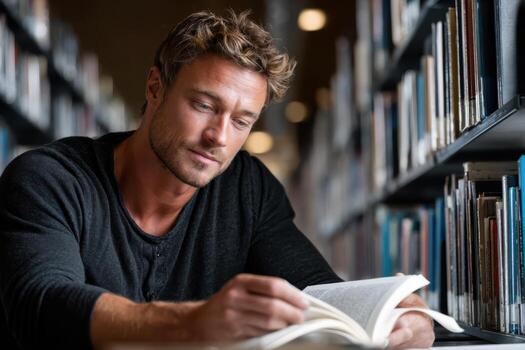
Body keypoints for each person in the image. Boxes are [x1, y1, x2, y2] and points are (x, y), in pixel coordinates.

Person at [0, 10, 434, 349]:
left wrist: (393, 318)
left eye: (242, 121)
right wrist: (193, 323)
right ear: (155, 87)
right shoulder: (49, 179)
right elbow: (42, 305)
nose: (219, 137)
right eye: (205, 105)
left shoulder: (248, 188)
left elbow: (314, 291)